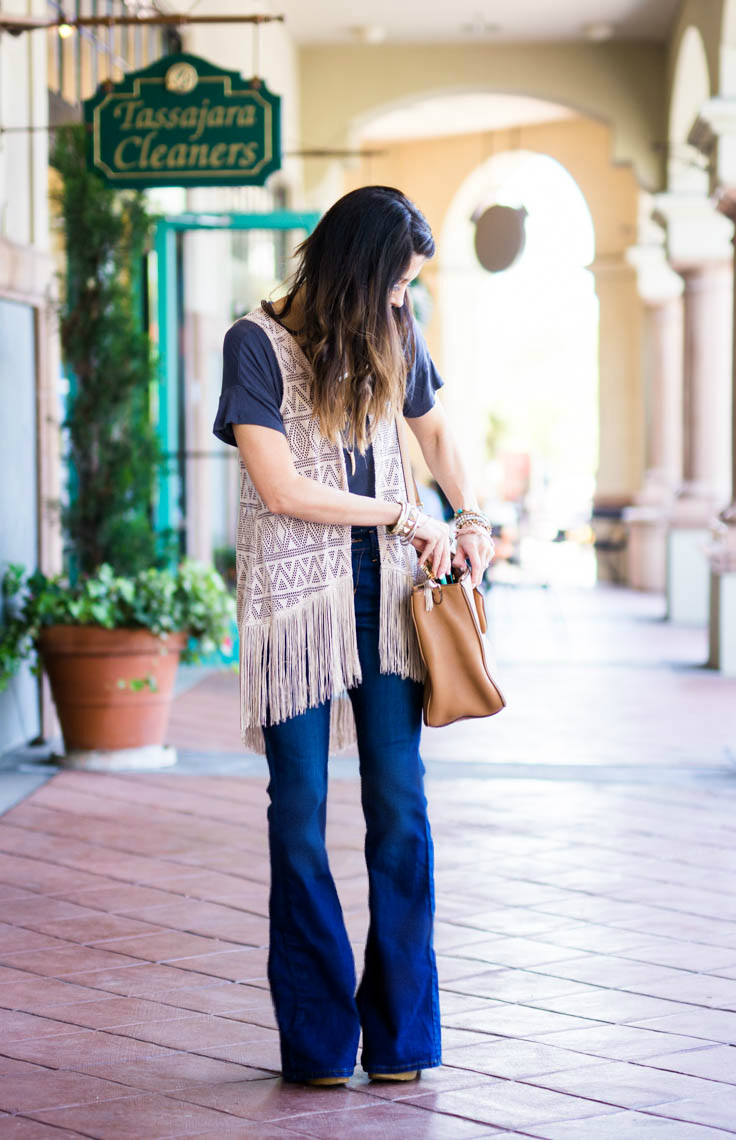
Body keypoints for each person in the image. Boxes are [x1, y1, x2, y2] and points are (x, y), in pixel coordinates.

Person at [213, 186, 494, 1087]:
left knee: (401, 818)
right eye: (395, 285)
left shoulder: (393, 333)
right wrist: (403, 515)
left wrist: (473, 512)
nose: (403, 303)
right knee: (297, 821)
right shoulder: (252, 344)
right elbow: (284, 488)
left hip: (389, 602)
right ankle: (320, 1044)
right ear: (353, 272)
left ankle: (404, 1039)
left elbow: (436, 430)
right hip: (295, 606)